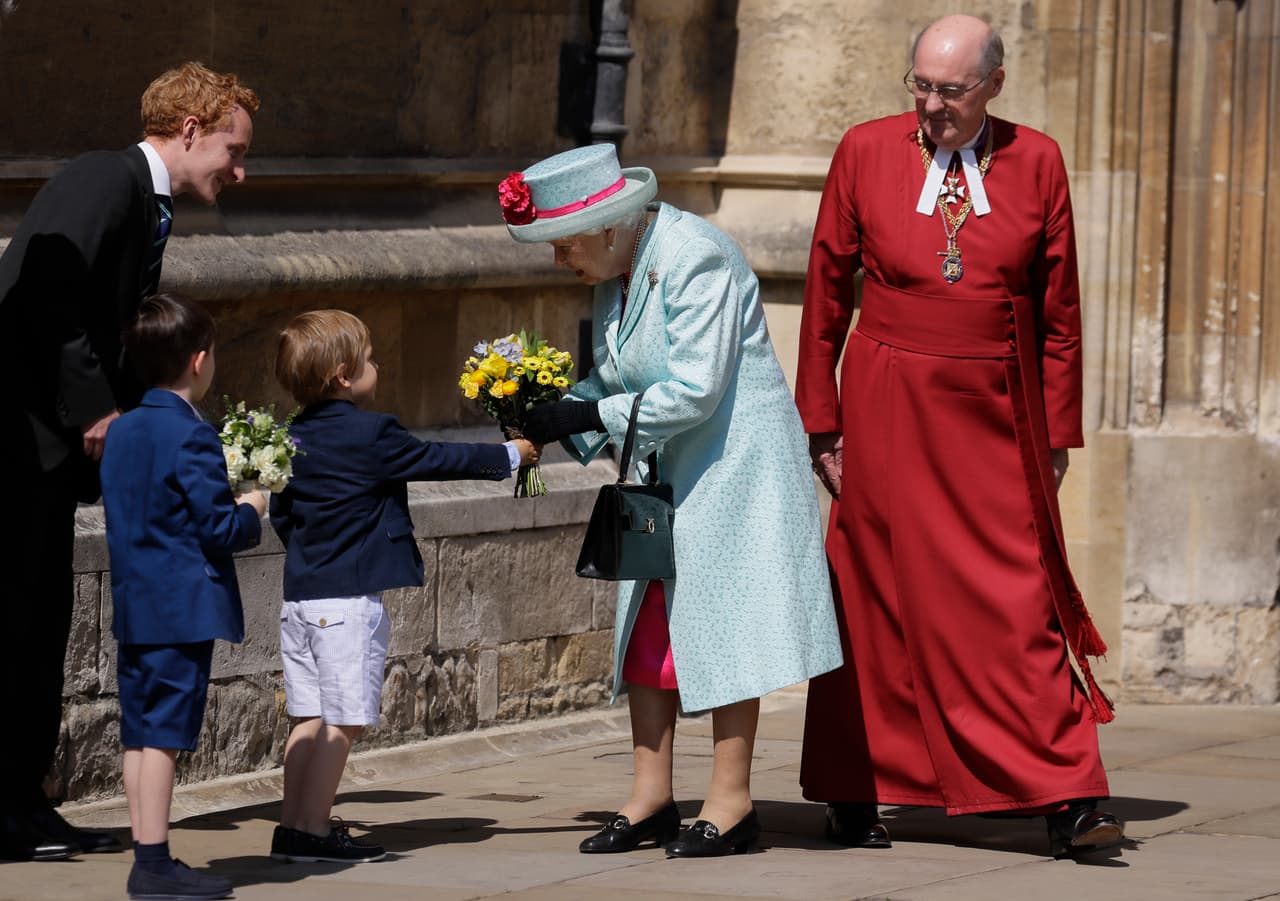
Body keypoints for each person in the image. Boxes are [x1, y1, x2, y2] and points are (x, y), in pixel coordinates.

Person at [795, 14, 1125, 859]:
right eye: (920, 86)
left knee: (1014, 597)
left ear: (994, 86)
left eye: (951, 90)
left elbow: (1061, 313)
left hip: (992, 411)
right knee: (869, 591)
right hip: (884, 400)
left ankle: (1068, 794)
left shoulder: (1039, 160)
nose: (931, 106)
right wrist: (820, 420)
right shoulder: (865, 150)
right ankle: (853, 785)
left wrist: (1054, 432)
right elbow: (828, 287)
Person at [503, 143, 843, 858]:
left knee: (723, 628)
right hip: (666, 469)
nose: (559, 258)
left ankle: (733, 800)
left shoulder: (697, 254)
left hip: (731, 467)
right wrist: (552, 409)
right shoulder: (618, 266)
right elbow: (616, 376)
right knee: (650, 631)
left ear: (605, 224)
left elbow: (694, 386)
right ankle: (652, 795)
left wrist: (588, 418)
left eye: (564, 243)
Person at [0, 61, 258, 863]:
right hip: (17, 443)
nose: (239, 170)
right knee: (16, 623)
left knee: (41, 623)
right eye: (233, 148)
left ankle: (22, 803)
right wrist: (97, 410)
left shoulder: (144, 202)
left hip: (46, 456)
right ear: (189, 129)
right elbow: (46, 291)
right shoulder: (102, 177)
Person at [267, 309, 537, 863]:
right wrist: (511, 455)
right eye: (368, 359)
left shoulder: (288, 436)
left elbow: (283, 513)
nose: (378, 366)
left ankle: (291, 825)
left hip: (300, 599)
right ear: (344, 375)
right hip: (347, 602)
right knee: (342, 722)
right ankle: (313, 830)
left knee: (307, 716)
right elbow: (436, 458)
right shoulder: (373, 432)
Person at [100, 293, 267, 901]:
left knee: (140, 732)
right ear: (200, 360)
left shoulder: (122, 429)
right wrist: (251, 507)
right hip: (180, 607)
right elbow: (217, 529)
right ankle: (153, 863)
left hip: (137, 603)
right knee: (165, 733)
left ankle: (150, 855)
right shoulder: (189, 434)